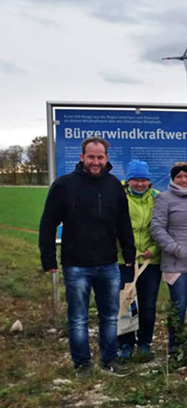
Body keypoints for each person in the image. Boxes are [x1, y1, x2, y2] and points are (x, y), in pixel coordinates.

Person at [39, 137, 135, 377]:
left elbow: (124, 223)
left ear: (106, 159)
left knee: (110, 317)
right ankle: (82, 364)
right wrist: (48, 259)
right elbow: (48, 223)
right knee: (78, 318)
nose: (95, 161)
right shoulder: (64, 185)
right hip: (76, 265)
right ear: (82, 157)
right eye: (91, 157)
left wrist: (129, 253)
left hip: (108, 264)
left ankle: (109, 360)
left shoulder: (114, 186)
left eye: (100, 157)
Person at [151, 162, 187, 355]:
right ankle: (175, 349)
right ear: (173, 179)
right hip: (176, 263)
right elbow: (157, 228)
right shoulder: (163, 199)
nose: (184, 180)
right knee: (179, 306)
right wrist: (175, 249)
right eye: (179, 177)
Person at [117, 160, 162, 362]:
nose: (140, 184)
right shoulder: (118, 197)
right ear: (129, 180)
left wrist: (153, 249)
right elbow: (112, 227)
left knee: (148, 305)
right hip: (124, 260)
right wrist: (129, 251)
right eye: (136, 179)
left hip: (150, 262)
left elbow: (165, 227)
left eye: (143, 180)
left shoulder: (158, 198)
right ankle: (125, 344)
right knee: (126, 303)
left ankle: (145, 343)